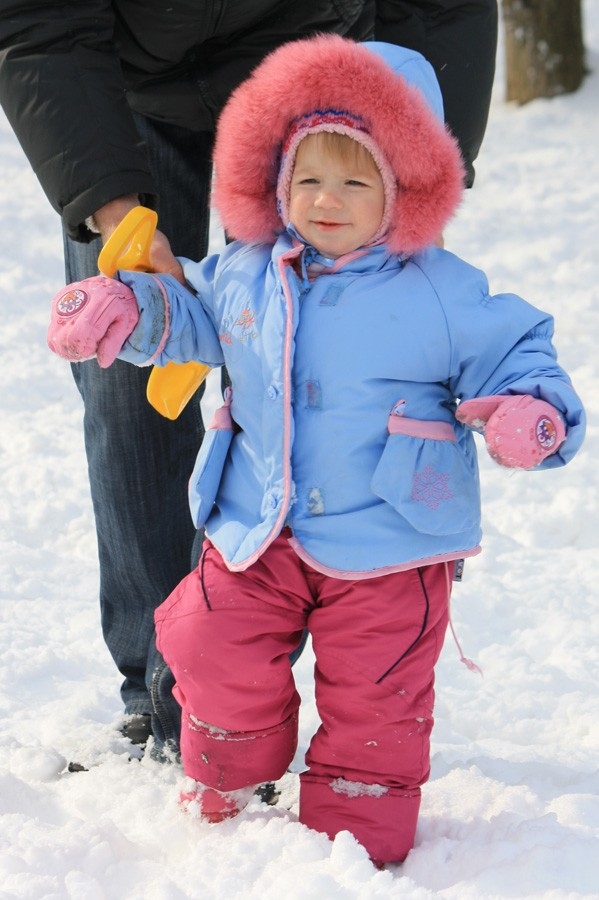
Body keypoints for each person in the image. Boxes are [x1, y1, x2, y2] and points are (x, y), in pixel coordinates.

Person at [46, 35, 585, 865]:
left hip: (390, 538)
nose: (325, 200)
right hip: (260, 526)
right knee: (203, 640)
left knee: (377, 694)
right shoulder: (246, 272)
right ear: (275, 183)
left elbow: (516, 350)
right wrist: (128, 310)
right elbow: (189, 316)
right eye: (307, 178)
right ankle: (231, 770)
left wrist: (528, 410)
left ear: (402, 189)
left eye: (354, 180)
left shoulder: (441, 290)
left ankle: (353, 834)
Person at [0, 0, 498, 754]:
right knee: (125, 368)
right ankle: (161, 681)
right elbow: (40, 20)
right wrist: (120, 219)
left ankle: (255, 678)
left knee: (304, 364)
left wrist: (416, 164)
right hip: (121, 91)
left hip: (314, 83)